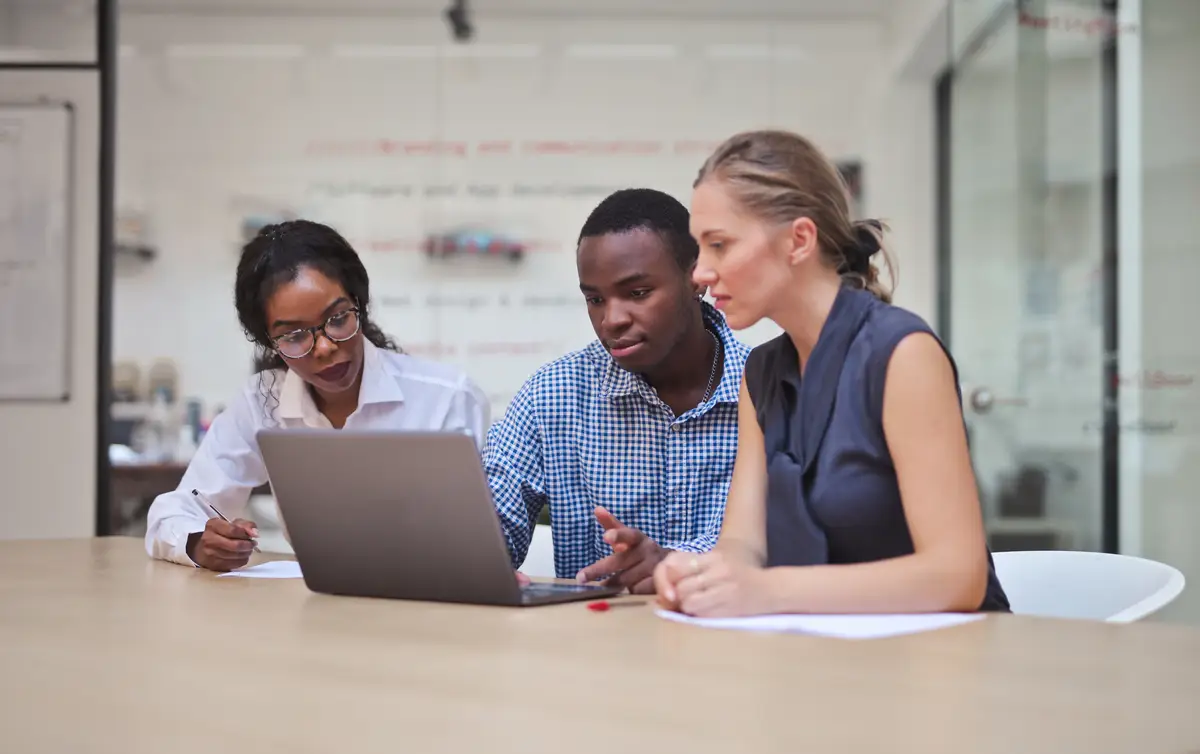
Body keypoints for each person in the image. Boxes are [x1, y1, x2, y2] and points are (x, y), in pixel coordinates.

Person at [654, 130, 1010, 616]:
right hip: (823, 661)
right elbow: (743, 542)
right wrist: (704, 575)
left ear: (799, 240)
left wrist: (768, 592)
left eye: (719, 245)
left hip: (945, 667)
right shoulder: (758, 373)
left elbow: (958, 576)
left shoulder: (903, 354)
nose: (700, 273)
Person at [145, 220, 490, 571]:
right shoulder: (263, 401)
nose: (324, 348)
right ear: (270, 344)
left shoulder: (447, 399)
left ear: (361, 303)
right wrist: (199, 541)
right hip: (316, 606)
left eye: (338, 319)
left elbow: (479, 542)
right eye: (294, 336)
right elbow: (174, 511)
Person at [484, 188, 752, 594]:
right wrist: (478, 555)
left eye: (637, 293)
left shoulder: (770, 389)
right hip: (594, 649)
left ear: (696, 276)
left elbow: (785, 542)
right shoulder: (555, 393)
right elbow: (491, 523)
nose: (611, 320)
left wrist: (676, 564)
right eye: (594, 299)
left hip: (737, 644)